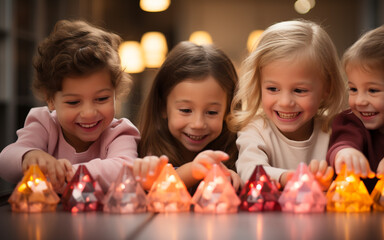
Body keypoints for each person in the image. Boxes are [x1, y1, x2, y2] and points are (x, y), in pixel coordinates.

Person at [0, 20, 140, 192]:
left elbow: (124, 168)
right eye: (74, 102)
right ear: (50, 99)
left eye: (102, 98)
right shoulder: (44, 124)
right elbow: (5, 161)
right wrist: (28, 156)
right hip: (48, 218)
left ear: (115, 94)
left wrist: (66, 173)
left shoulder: (120, 132)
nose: (89, 113)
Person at [230, 19, 347, 190]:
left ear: (326, 89)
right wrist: (288, 177)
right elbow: (249, 171)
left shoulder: (333, 130)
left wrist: (327, 177)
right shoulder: (256, 129)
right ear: (258, 85)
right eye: (273, 88)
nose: (285, 102)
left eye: (299, 90)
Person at [133, 41, 241, 191]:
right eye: (185, 110)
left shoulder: (240, 153)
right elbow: (156, 190)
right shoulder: (144, 156)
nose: (198, 124)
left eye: (211, 112)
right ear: (162, 106)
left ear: (228, 111)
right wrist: (194, 171)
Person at [327, 25, 384, 193]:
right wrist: (345, 153)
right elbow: (342, 143)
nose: (360, 101)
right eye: (353, 89)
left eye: (372, 90)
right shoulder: (350, 121)